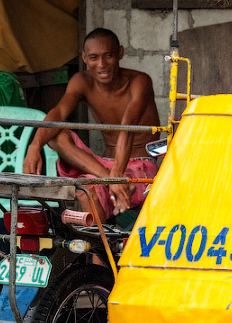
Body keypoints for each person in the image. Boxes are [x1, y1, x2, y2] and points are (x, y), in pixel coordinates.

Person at [23, 28, 161, 219]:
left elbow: (127, 128)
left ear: (120, 53)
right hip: (103, 167)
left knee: (87, 187)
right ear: (85, 58)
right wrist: (35, 146)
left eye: (109, 56)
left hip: (140, 166)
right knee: (55, 135)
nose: (102, 64)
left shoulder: (139, 81)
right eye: (94, 57)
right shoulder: (82, 81)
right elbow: (59, 112)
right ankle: (96, 245)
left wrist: (117, 175)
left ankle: (101, 242)